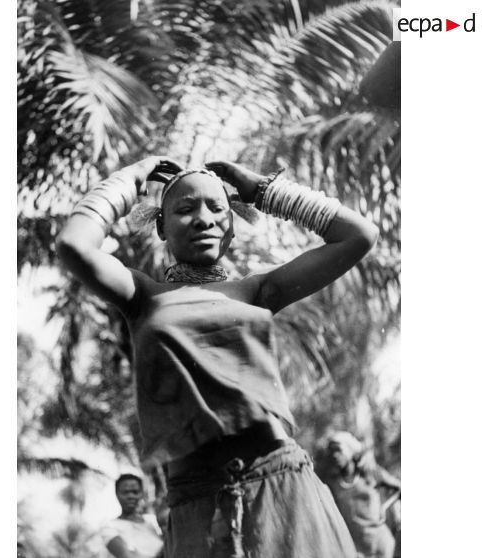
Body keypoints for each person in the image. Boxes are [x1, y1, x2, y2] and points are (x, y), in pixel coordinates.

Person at [57, 155, 379, 558]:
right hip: (197, 506)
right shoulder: (140, 296)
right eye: (185, 209)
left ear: (231, 226)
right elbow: (73, 244)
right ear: (161, 226)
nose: (203, 218)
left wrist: (264, 191)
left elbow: (359, 235)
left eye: (217, 208)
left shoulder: (257, 292)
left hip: (283, 492)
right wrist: (131, 178)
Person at [316, 431, 401, 558]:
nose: (334, 455)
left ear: (350, 451)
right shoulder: (332, 483)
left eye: (338, 450)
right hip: (355, 551)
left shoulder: (371, 474)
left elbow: (400, 488)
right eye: (331, 451)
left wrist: (385, 508)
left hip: (382, 548)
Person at [103, 473, 164, 558]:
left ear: (141, 494)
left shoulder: (152, 521)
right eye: (125, 492)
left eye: (135, 492)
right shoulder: (110, 527)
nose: (130, 496)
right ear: (117, 494)